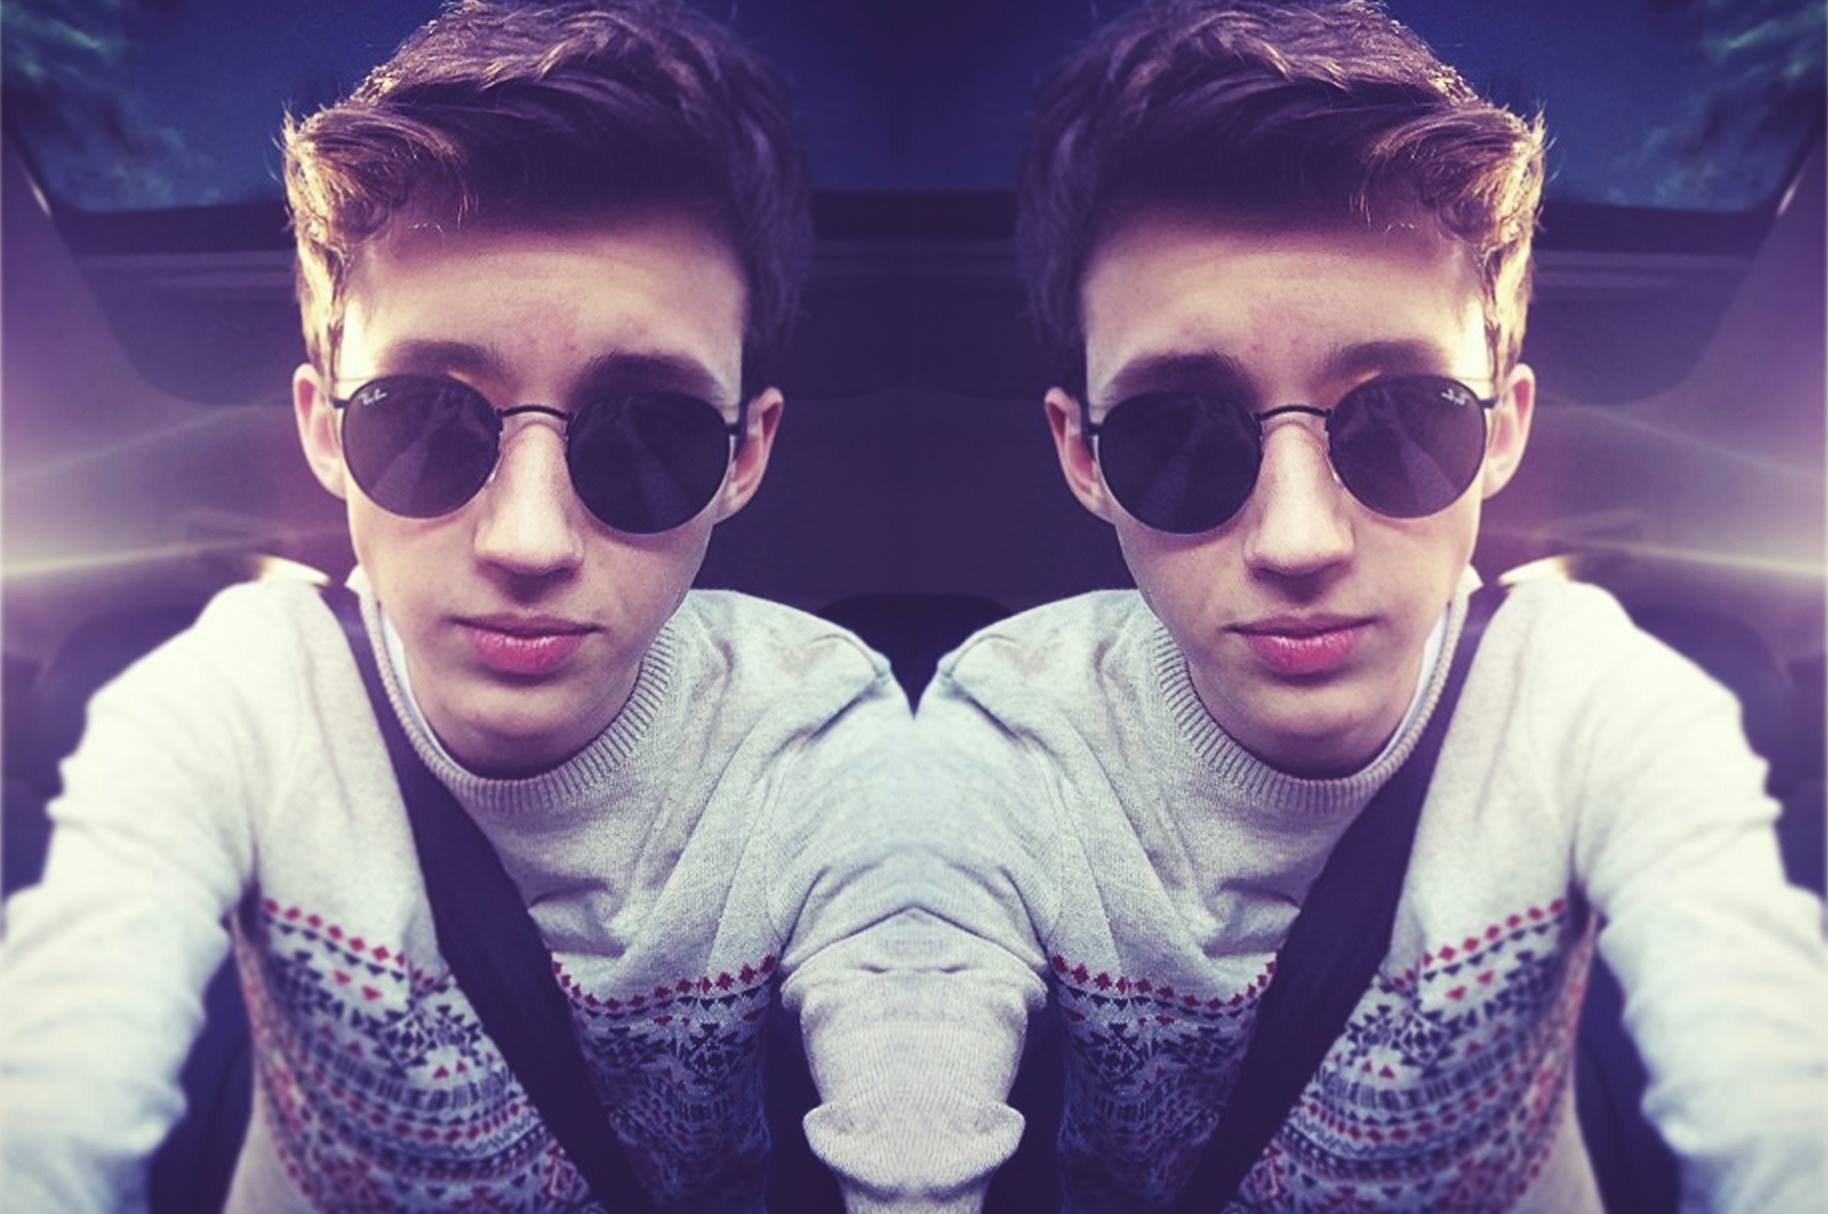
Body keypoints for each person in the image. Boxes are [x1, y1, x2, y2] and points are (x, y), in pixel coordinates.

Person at [906, 2, 1828, 1211]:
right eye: (1178, 433)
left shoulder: (1593, 703)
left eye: (1402, 420)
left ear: (1503, 432)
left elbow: (1775, 1090)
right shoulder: (1004, 732)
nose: (1298, 539)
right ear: (1081, 456)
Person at [0, 2, 912, 1210]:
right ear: (323, 430)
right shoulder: (233, 703)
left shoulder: (820, 732)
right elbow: (52, 1088)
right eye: (424, 418)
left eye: (648, 432)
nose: (528, 539)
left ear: (745, 456)